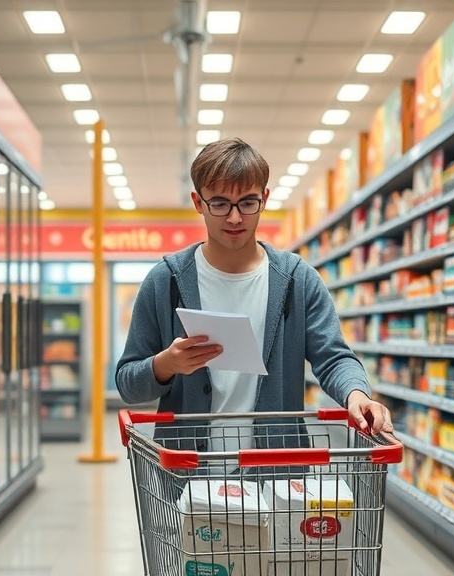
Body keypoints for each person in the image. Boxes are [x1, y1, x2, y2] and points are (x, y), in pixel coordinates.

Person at [115, 137, 392, 456]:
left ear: (265, 198)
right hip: (186, 475)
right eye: (219, 204)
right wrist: (166, 364)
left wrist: (356, 394)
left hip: (277, 479)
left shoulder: (296, 280)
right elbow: (127, 383)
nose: (234, 218)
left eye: (247, 203)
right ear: (197, 202)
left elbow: (333, 357)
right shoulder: (166, 281)